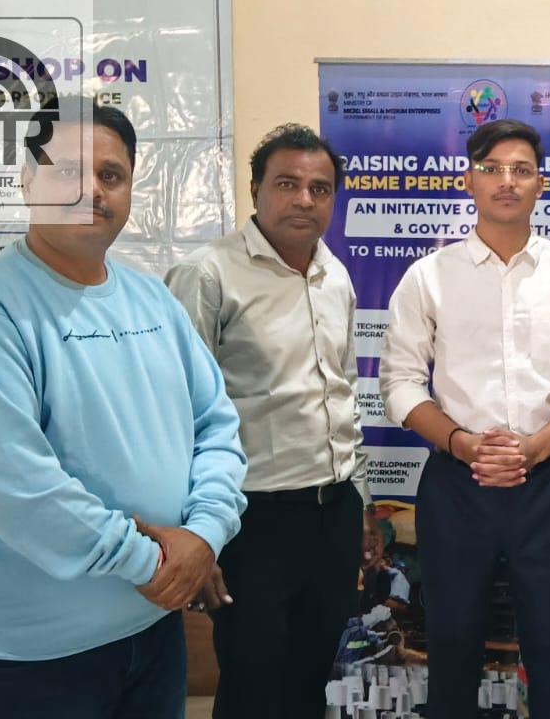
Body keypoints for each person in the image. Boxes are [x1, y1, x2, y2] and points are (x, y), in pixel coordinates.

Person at [0, 98, 247, 718]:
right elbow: (14, 484)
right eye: (67, 170)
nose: (91, 190)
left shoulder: (152, 300)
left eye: (110, 174)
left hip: (149, 627)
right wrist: (155, 563)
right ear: (28, 181)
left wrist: (205, 534)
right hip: (26, 652)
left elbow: (216, 427)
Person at [380, 118, 550, 719]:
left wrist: (535, 447)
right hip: (456, 484)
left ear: (541, 183)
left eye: (521, 170)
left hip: (548, 485)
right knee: (452, 644)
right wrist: (462, 443)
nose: (506, 181)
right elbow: (400, 382)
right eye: (491, 169)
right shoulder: (429, 276)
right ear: (469, 181)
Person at [165, 123, 383, 719]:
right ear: (256, 189)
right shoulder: (208, 274)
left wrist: (361, 501)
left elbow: (343, 393)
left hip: (333, 511)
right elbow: (176, 412)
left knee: (312, 679)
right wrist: (197, 535)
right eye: (287, 184)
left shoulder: (335, 275)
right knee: (253, 683)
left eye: (320, 188)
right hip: (251, 518)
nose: (304, 200)